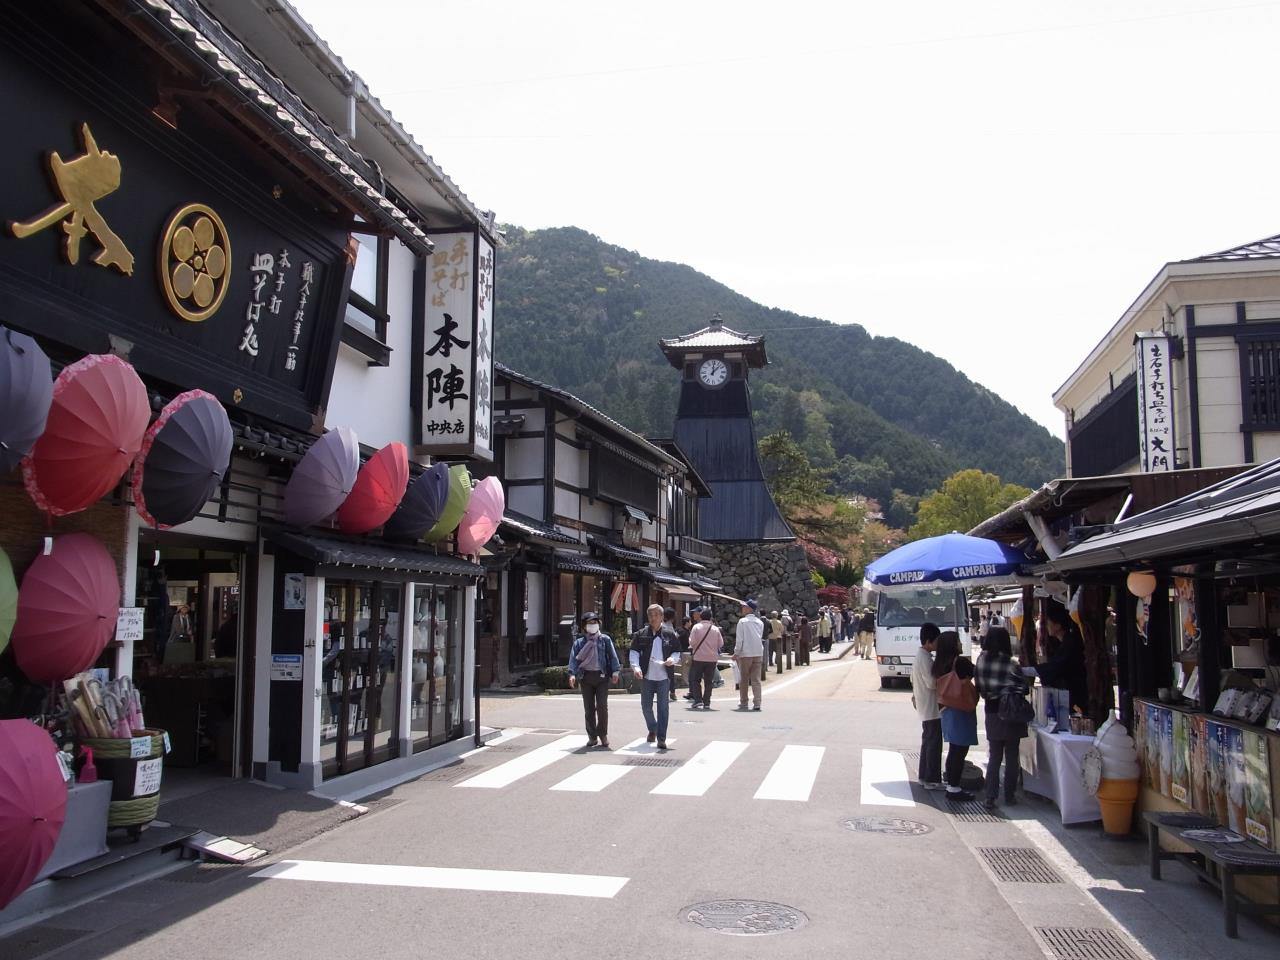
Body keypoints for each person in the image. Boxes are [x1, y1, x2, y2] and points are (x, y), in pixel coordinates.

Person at [974, 626, 1028, 809]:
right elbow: (1024, 687)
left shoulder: (981, 660)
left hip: (991, 710)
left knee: (995, 755)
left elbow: (979, 686)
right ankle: (1010, 795)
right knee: (1012, 755)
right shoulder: (1011, 663)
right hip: (1011, 712)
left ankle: (990, 796)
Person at [933, 630, 977, 802]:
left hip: (946, 709)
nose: (961, 644)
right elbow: (977, 673)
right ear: (953, 645)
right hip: (961, 708)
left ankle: (952, 783)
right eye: (958, 641)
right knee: (960, 749)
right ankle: (954, 787)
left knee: (954, 748)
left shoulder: (938, 664)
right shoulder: (960, 663)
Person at [567, 612, 621, 749]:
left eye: (595, 622)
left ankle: (602, 734)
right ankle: (592, 736)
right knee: (589, 708)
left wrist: (615, 671)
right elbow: (574, 659)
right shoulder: (579, 642)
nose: (593, 625)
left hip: (601, 677)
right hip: (585, 677)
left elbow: (613, 656)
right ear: (584, 626)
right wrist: (572, 674)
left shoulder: (605, 640)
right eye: (589, 623)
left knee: (602, 707)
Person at [630, 604, 680, 750]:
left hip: (664, 677)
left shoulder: (670, 634)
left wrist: (672, 659)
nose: (653, 618)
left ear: (662, 617)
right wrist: (636, 668)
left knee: (663, 708)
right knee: (646, 706)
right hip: (647, 676)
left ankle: (661, 738)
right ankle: (653, 728)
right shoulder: (641, 634)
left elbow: (677, 651)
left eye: (656, 615)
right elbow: (633, 652)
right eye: (650, 615)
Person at [1037, 602, 1089, 716]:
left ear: (1058, 625)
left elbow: (1056, 667)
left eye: (1049, 623)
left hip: (1076, 692)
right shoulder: (1065, 642)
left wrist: (1033, 670)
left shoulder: (1070, 644)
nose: (1047, 626)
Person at [911, 622, 943, 790]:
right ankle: (931, 779)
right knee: (933, 742)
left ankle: (925, 776)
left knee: (928, 741)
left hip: (924, 704)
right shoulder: (925, 658)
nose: (938, 644)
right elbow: (931, 683)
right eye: (937, 640)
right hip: (930, 706)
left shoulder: (921, 656)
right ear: (929, 641)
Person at [686, 607, 723, 709]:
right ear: (710, 617)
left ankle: (698, 700)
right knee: (708, 681)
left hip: (698, 657)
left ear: (701, 617)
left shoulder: (696, 627)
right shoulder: (715, 629)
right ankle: (707, 702)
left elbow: (692, 642)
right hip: (712, 659)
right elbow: (721, 644)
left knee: (695, 680)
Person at [733, 599, 765, 711]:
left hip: (746, 653)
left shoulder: (742, 622)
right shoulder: (760, 622)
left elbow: (739, 640)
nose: (742, 608)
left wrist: (736, 653)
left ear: (749, 609)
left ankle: (744, 702)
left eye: (744, 607)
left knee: (744, 679)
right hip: (758, 652)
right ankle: (757, 702)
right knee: (756, 679)